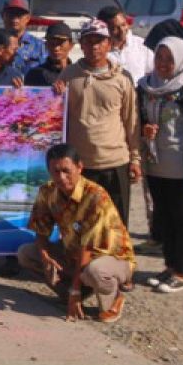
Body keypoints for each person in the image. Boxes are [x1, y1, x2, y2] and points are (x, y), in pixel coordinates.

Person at [17, 143, 135, 324]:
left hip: (109, 256)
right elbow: (41, 229)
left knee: (95, 271)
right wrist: (45, 255)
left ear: (80, 167)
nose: (62, 177)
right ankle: (71, 293)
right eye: (55, 172)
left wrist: (75, 290)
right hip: (74, 254)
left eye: (67, 171)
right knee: (26, 254)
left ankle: (113, 298)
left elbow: (87, 247)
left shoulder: (96, 196)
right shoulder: (47, 191)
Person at [137, 37, 183, 293]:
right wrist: (144, 129)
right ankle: (170, 266)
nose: (164, 64)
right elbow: (140, 117)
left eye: (170, 59)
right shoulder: (147, 87)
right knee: (165, 218)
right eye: (160, 57)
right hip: (158, 166)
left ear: (181, 60)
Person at [58, 19, 142, 230]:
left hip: (115, 162)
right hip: (81, 165)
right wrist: (55, 95)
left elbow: (132, 121)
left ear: (109, 44)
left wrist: (135, 159)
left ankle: (118, 261)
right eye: (89, 41)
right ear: (81, 44)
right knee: (82, 223)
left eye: (99, 41)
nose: (94, 46)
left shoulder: (122, 78)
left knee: (116, 223)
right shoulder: (68, 76)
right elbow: (58, 118)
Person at [0, 0, 46, 73]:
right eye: (11, 14)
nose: (15, 19)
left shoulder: (39, 46)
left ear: (28, 18)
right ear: (2, 16)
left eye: (19, 15)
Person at [98, 6, 153, 86]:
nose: (122, 30)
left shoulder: (141, 45)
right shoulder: (100, 51)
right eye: (115, 28)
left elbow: (152, 72)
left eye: (123, 25)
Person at [25, 22, 74, 87]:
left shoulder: (77, 74)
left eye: (60, 43)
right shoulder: (35, 74)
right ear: (46, 45)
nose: (56, 48)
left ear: (71, 45)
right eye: (52, 43)